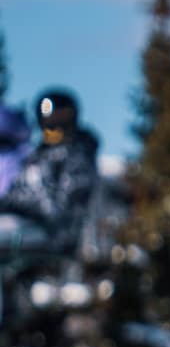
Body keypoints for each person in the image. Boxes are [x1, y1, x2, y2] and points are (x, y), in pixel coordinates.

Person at [0, 90, 100, 256]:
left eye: (61, 120)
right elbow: (17, 190)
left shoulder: (77, 158)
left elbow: (56, 208)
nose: (55, 130)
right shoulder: (37, 157)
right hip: (30, 229)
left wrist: (16, 202)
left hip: (55, 238)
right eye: (49, 123)